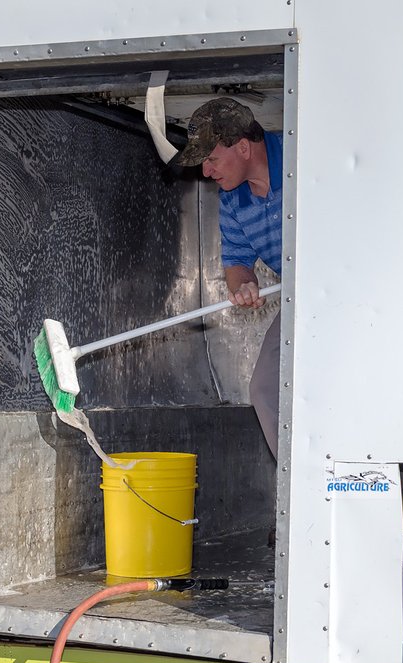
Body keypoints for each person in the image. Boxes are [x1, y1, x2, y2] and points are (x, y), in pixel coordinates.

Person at [173, 98, 282, 459]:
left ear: (243, 148)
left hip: (356, 291)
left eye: (211, 159)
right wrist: (244, 285)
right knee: (266, 390)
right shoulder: (233, 198)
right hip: (303, 299)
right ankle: (301, 482)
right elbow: (236, 261)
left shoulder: (305, 157)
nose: (206, 171)